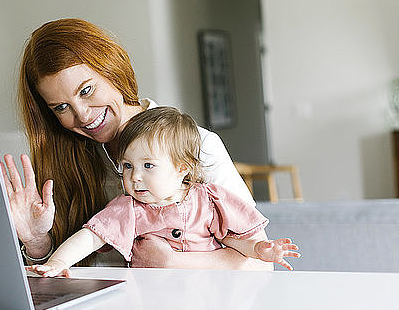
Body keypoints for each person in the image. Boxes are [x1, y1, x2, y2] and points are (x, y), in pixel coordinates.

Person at [1, 18, 272, 269]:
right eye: (61, 107)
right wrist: (37, 243)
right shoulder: (66, 158)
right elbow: (58, 274)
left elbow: (261, 264)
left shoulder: (199, 145)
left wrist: (172, 262)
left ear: (113, 70)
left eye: (86, 90)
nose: (82, 115)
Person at [28, 107, 300, 276]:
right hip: (152, 301)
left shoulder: (209, 199)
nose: (135, 177)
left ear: (182, 168)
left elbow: (233, 238)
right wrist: (58, 262)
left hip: (210, 296)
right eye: (127, 166)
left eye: (148, 165)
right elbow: (91, 237)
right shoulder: (129, 208)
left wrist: (258, 249)